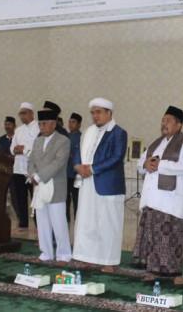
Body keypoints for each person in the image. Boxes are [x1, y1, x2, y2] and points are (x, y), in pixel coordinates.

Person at [132, 106, 183, 284]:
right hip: (152, 200)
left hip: (170, 202)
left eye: (168, 120)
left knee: (168, 238)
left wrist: (160, 164)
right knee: (152, 237)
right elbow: (140, 163)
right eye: (163, 120)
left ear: (179, 125)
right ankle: (152, 271)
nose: (164, 123)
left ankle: (173, 273)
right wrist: (146, 165)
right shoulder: (156, 144)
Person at [72, 98, 127, 272]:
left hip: (108, 185)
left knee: (108, 224)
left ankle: (109, 261)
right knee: (88, 222)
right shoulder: (88, 132)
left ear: (109, 113)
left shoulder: (118, 133)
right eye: (93, 113)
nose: (95, 116)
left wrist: (92, 169)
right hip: (87, 183)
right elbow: (77, 151)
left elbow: (116, 157)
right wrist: (78, 166)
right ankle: (88, 257)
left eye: (99, 112)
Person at [27, 109, 72, 262]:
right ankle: (46, 253)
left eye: (44, 124)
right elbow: (31, 160)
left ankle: (64, 255)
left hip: (55, 187)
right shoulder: (38, 140)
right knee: (42, 222)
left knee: (59, 223)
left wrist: (39, 176)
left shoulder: (63, 141)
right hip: (39, 187)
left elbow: (58, 163)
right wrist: (32, 174)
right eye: (40, 124)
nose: (41, 127)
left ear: (53, 124)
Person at [10, 102, 39, 229]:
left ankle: (38, 224)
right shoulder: (18, 130)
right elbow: (12, 148)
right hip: (18, 169)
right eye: (20, 114)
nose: (22, 116)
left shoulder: (39, 128)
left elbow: (38, 148)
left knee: (35, 197)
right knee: (20, 197)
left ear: (31, 113)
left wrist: (24, 149)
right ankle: (23, 223)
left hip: (33, 170)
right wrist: (16, 149)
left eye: (24, 113)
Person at [66, 112, 82, 221]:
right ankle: (65, 219)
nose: (71, 124)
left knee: (77, 199)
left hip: (76, 174)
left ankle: (78, 220)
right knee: (65, 199)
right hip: (65, 173)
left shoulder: (82, 137)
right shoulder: (65, 137)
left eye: (73, 122)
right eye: (70, 122)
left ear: (79, 124)